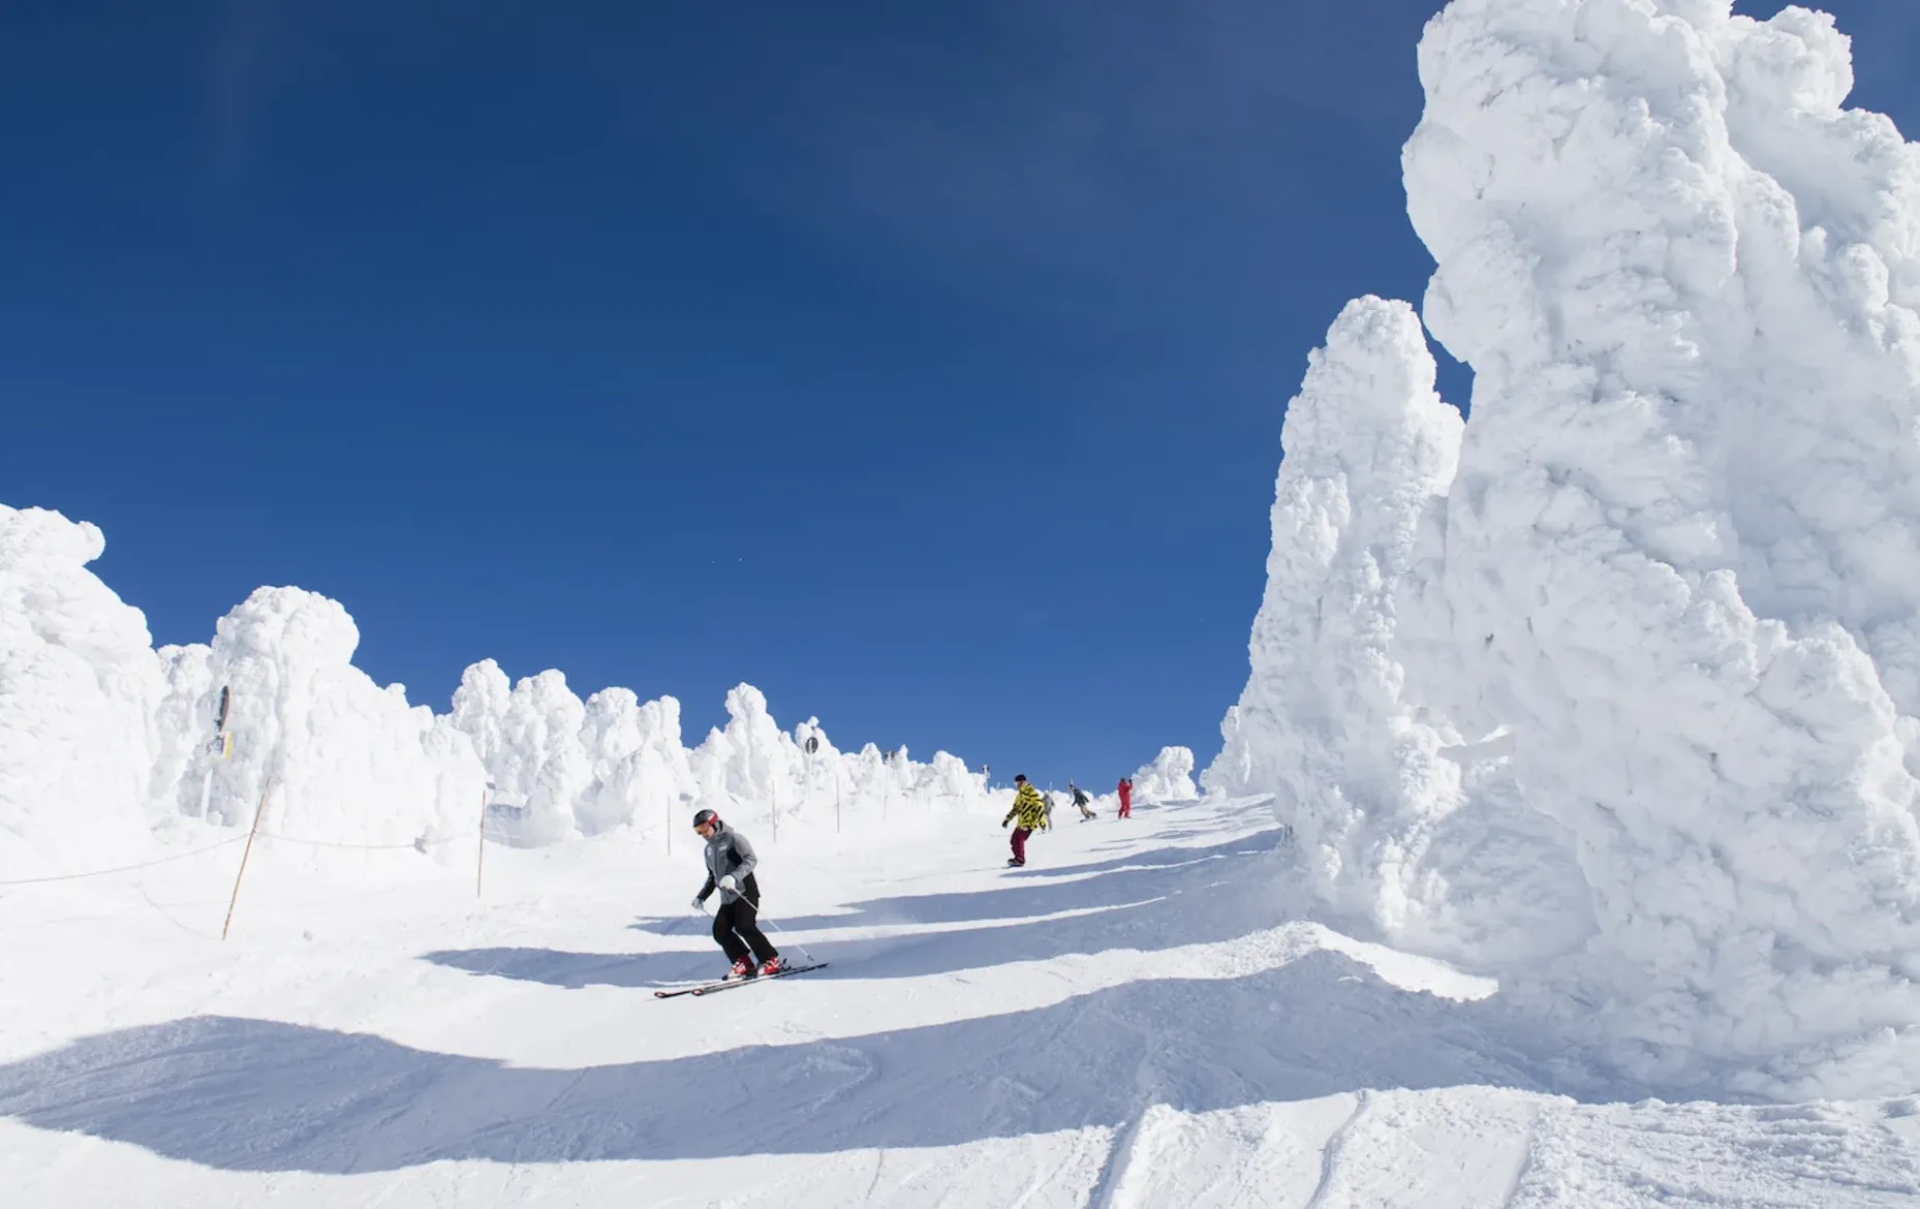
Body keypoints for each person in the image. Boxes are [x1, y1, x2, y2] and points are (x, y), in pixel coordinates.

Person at [690, 808, 782, 979]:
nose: (702, 833)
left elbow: (751, 859)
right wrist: (701, 897)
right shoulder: (709, 849)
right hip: (727, 898)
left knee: (744, 926)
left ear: (714, 823)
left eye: (703, 827)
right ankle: (743, 962)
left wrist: (734, 876)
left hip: (745, 891)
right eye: (698, 830)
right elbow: (713, 876)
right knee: (720, 931)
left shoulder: (733, 839)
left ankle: (770, 960)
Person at [1000, 775, 1047, 867]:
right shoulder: (1020, 795)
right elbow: (1015, 808)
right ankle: (1017, 858)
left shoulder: (1030, 791)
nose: (1017, 785)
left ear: (1022, 782)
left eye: (1017, 783)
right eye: (1015, 783)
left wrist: (1042, 821)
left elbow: (1039, 805)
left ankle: (1020, 859)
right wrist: (1007, 820)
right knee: (1013, 840)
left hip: (1029, 821)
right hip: (1021, 823)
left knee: (1020, 838)